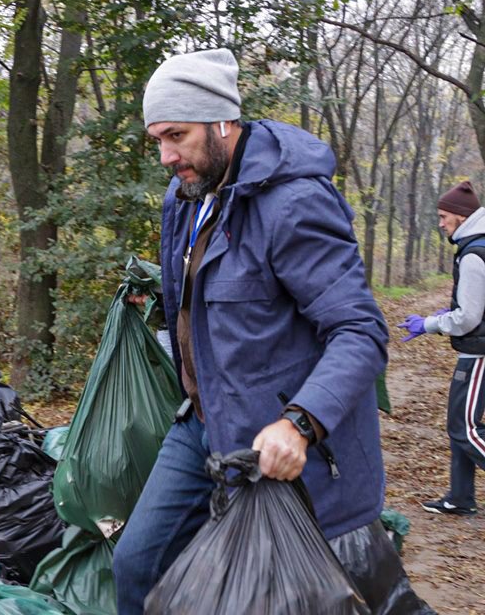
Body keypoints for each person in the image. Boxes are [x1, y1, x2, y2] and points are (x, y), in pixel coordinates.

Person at [113, 48, 429, 614]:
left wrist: (299, 424)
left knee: (311, 595)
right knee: (137, 562)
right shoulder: (185, 199)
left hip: (285, 442)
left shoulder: (294, 202)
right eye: (157, 139)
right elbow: (213, 294)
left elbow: (359, 331)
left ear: (223, 122)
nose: (166, 155)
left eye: (177, 135)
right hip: (206, 425)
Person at [398, 181, 485, 516]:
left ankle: (461, 498)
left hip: (478, 356)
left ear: (462, 217)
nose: (440, 222)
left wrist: (430, 324)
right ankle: (460, 497)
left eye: (444, 215)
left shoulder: (474, 254)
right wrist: (442, 315)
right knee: (461, 424)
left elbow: (468, 318)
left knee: (464, 428)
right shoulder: (474, 246)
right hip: (476, 350)